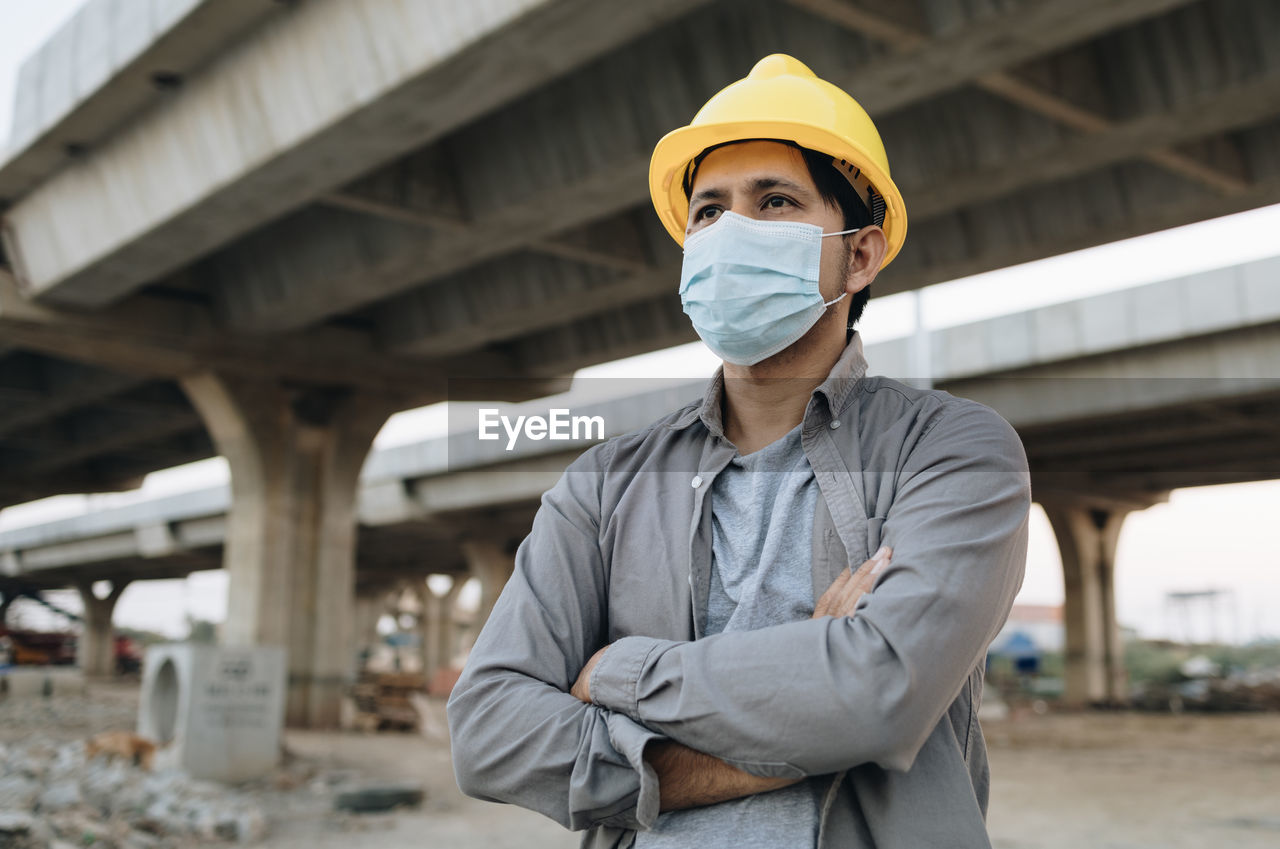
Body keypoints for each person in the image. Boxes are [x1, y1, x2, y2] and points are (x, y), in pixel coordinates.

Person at [448, 54, 1030, 849]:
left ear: (859, 255)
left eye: (775, 201)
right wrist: (796, 726)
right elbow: (487, 729)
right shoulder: (605, 483)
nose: (730, 233)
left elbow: (877, 694)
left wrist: (618, 672)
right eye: (709, 212)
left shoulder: (954, 450)